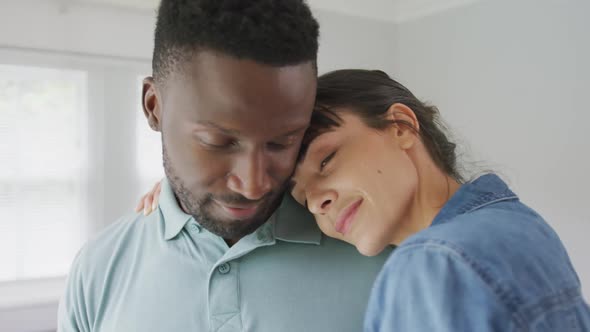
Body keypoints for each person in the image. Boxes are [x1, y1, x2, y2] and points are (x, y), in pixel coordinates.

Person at [140, 69, 590, 331]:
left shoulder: (432, 262)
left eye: (328, 160)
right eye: (299, 195)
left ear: (400, 127)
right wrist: (191, 191)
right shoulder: (516, 223)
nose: (317, 202)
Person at [57, 2, 391, 332]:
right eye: (218, 142)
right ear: (154, 106)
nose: (253, 185)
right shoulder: (97, 271)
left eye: (282, 142)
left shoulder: (379, 254)